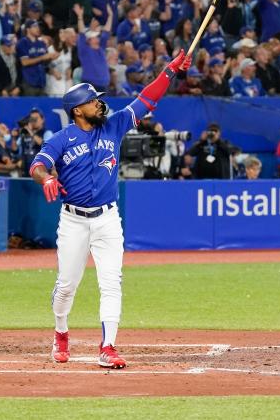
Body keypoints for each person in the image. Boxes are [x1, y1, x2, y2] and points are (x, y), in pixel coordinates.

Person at [29, 48, 192, 369]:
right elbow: (38, 164)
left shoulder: (113, 126)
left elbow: (146, 100)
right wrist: (45, 178)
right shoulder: (62, 138)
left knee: (111, 281)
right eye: (92, 101)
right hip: (73, 221)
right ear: (77, 110)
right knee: (66, 286)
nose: (99, 104)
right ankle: (61, 333)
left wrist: (170, 71)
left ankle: (108, 346)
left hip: (107, 218)